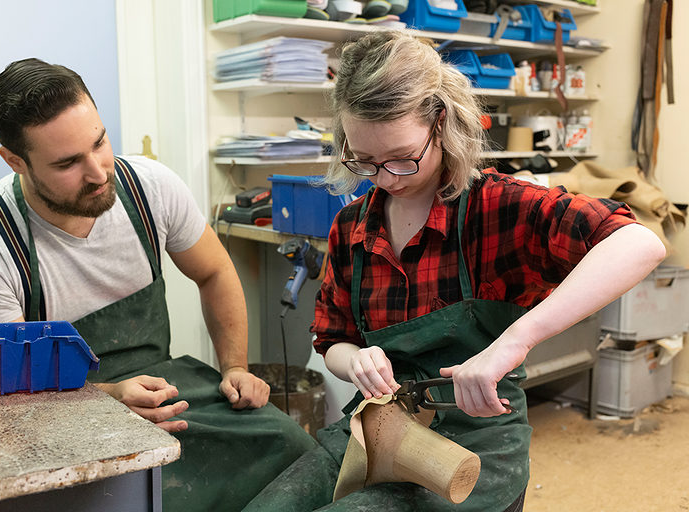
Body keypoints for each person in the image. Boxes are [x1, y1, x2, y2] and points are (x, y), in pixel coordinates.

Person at [244, 31, 666, 512]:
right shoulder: (351, 227)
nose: (384, 178)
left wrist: (512, 344)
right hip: (379, 425)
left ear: (441, 126)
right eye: (365, 160)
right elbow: (332, 337)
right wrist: (353, 360)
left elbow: (639, 243)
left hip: (475, 445)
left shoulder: (498, 207)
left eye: (402, 159)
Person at [0, 58, 316, 511]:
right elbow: (9, 402)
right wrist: (106, 398)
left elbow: (214, 272)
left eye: (99, 143)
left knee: (297, 454)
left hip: (167, 389)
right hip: (55, 422)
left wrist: (236, 366)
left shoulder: (148, 188)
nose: (98, 172)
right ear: (16, 160)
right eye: (68, 163)